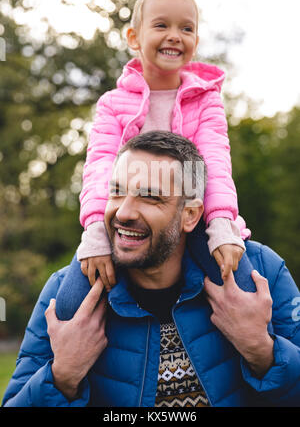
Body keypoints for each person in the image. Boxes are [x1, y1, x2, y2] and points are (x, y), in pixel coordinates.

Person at [2, 131, 300, 408]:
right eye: (116, 192)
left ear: (190, 215)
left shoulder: (263, 272)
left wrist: (261, 351)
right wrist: (63, 375)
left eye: (149, 197)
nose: (124, 212)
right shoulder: (64, 293)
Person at [77, 0, 249, 291]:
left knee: (243, 283)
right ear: (134, 38)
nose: (174, 35)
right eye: (161, 25)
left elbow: (215, 162)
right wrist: (94, 229)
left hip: (192, 223)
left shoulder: (206, 101)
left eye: (186, 28)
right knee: (71, 298)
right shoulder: (112, 105)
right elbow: (99, 167)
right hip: (128, 227)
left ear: (196, 40)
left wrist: (221, 221)